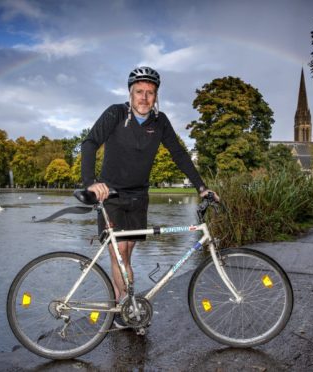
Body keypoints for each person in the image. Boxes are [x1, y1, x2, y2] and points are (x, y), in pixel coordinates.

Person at [81, 66, 218, 327]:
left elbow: (179, 154)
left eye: (150, 93)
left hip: (138, 196)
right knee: (118, 253)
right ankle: (126, 309)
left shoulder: (160, 121)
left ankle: (122, 304)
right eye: (139, 92)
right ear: (130, 94)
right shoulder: (115, 113)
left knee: (126, 255)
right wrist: (91, 182)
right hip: (110, 194)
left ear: (156, 97)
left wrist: (201, 187)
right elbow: (89, 143)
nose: (144, 98)